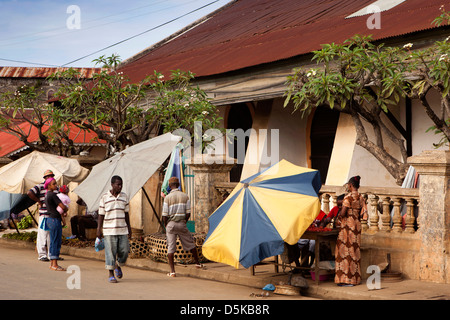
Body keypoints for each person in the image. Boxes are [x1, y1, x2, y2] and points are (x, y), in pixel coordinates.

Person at [162, 176, 203, 277]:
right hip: (182, 223)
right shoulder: (185, 196)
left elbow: (164, 215)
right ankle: (198, 264)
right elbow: (188, 213)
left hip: (171, 224)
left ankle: (172, 272)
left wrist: (166, 225)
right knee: (190, 244)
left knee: (170, 248)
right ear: (178, 185)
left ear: (170, 186)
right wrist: (184, 222)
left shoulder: (167, 198)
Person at [97, 175, 132, 283]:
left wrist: (129, 228)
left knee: (124, 251)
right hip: (109, 230)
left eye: (121, 184)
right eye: (118, 184)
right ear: (112, 185)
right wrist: (99, 229)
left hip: (122, 229)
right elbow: (101, 214)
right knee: (110, 252)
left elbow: (126, 214)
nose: (120, 187)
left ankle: (118, 265)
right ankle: (111, 273)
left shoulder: (124, 197)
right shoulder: (104, 197)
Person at [334, 176, 367, 287]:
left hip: (347, 227)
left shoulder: (348, 198)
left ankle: (346, 279)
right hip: (356, 227)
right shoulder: (361, 197)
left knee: (344, 252)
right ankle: (355, 279)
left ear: (350, 185)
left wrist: (339, 215)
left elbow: (343, 213)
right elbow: (363, 214)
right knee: (355, 252)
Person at [27, 169, 56, 261]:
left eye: (52, 176)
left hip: (52, 215)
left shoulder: (55, 187)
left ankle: (50, 254)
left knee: (51, 236)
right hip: (44, 214)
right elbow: (29, 192)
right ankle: (42, 254)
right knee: (42, 235)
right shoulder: (40, 186)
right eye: (49, 176)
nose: (50, 178)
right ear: (45, 178)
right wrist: (38, 201)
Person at [44, 177, 68, 271]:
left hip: (51, 219)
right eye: (54, 184)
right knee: (55, 241)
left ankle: (52, 263)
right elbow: (62, 206)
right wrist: (66, 208)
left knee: (53, 241)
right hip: (54, 220)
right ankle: (54, 264)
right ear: (49, 185)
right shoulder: (53, 195)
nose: (56, 185)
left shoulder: (47, 195)